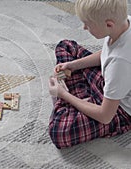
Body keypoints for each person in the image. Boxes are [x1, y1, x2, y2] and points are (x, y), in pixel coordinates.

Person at [48, 0, 131, 149]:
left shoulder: (120, 63)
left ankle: (70, 99)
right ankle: (82, 99)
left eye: (88, 24)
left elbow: (105, 117)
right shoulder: (125, 22)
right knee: (65, 46)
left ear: (109, 24)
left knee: (59, 132)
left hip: (119, 110)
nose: (84, 27)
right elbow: (107, 53)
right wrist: (73, 65)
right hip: (110, 82)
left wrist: (62, 95)